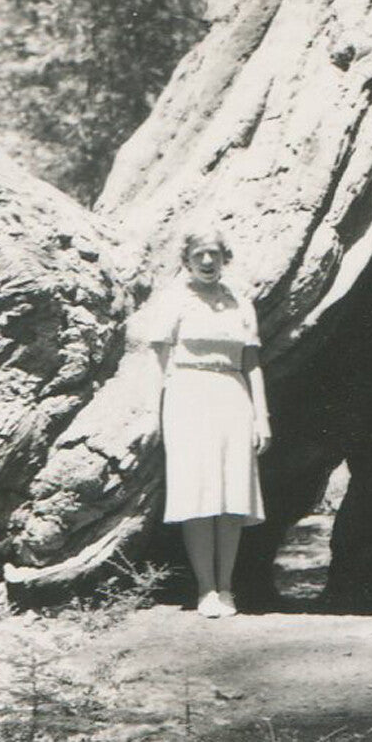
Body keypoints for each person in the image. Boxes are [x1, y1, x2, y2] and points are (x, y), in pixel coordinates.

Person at [131, 224, 271, 617]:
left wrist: (261, 417)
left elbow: (252, 364)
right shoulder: (174, 300)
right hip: (188, 395)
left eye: (214, 254)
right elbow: (158, 360)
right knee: (198, 493)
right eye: (199, 255)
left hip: (233, 396)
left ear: (225, 258)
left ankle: (226, 587)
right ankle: (205, 589)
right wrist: (151, 413)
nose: (207, 261)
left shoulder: (240, 303)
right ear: (187, 260)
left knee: (232, 494)